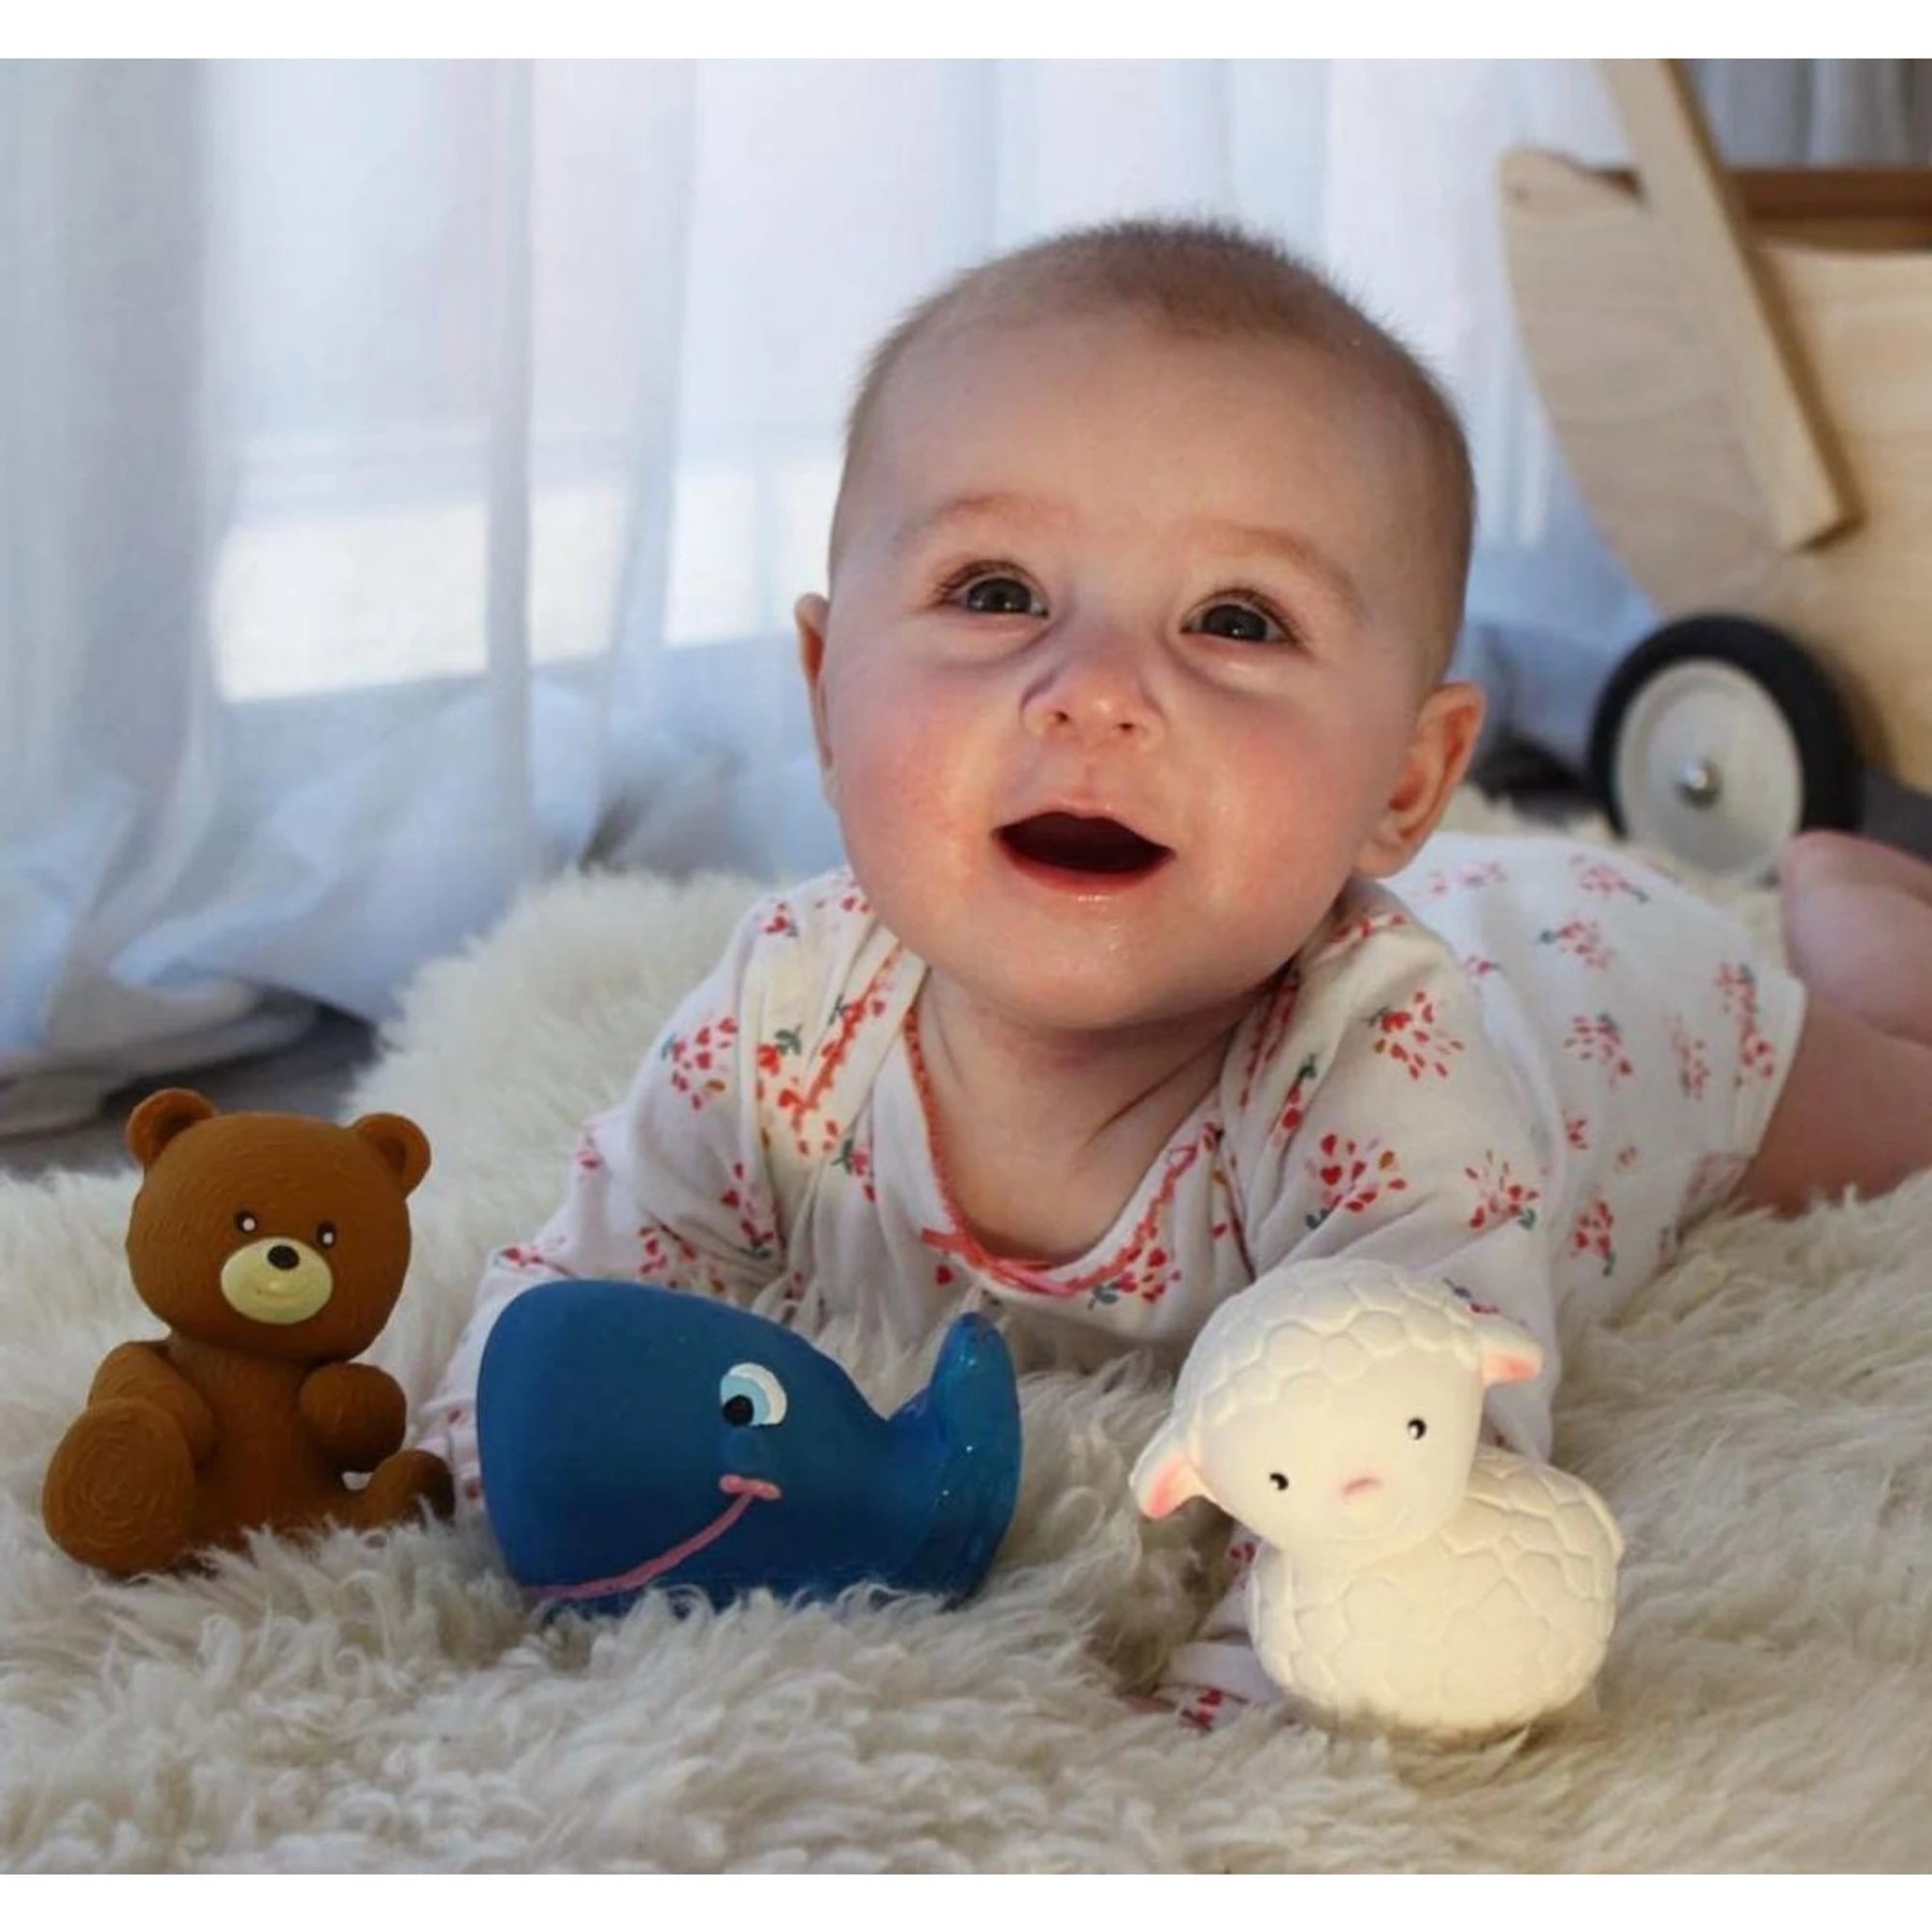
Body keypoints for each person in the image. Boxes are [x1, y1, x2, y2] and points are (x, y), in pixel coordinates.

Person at [414, 216, 1932, 1727]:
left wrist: (1222, 1727)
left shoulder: (1375, 1073)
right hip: (1470, 913)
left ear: (1409, 779)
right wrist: (488, 1465)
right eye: (995, 591)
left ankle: (1840, 895)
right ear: (826, 694)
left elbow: (1419, 1470)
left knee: (1905, 1088)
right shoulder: (791, 1016)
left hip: (1609, 996)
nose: (1092, 694)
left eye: (1234, 620)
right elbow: (580, 1301)